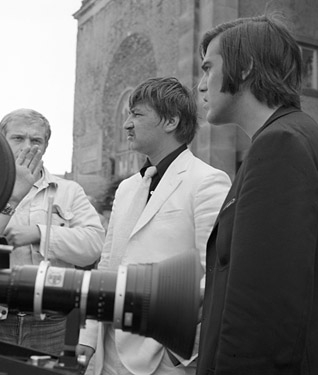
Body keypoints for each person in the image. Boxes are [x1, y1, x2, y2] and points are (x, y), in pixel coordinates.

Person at [196, 14, 318, 375]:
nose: (201, 85)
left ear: (245, 67)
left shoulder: (282, 145)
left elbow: (263, 312)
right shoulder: (294, 136)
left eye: (207, 68)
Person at [77, 77, 231, 375]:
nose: (127, 125)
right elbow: (107, 265)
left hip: (160, 359)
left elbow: (212, 274)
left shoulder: (207, 182)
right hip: (106, 352)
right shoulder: (126, 188)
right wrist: (89, 335)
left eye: (136, 114)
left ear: (171, 120)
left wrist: (177, 353)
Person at [0, 108, 105, 355]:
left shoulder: (69, 191)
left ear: (46, 145)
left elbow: (94, 246)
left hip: (50, 323)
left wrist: (40, 233)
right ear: (2, 141)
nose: (28, 146)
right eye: (18, 138)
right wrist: (12, 197)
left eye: (36, 140)